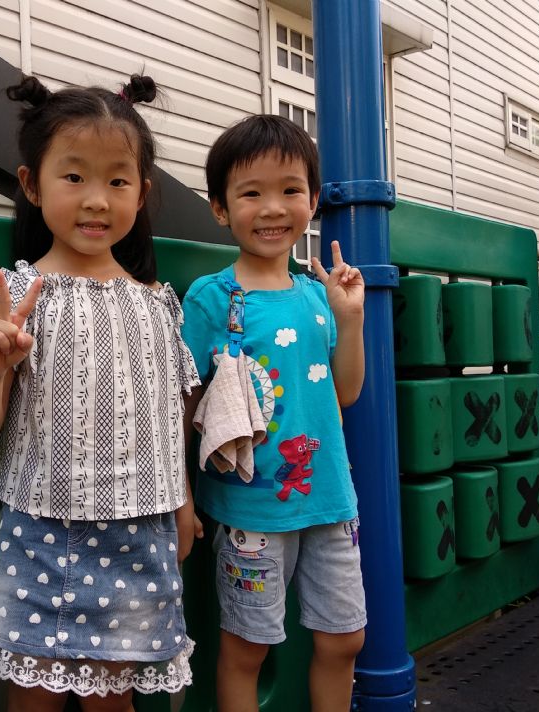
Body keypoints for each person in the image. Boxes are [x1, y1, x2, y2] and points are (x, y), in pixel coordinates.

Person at [0, 73, 201, 711]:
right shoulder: (15, 296)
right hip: (38, 531)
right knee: (30, 701)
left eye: (117, 181)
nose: (96, 200)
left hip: (139, 534)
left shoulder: (158, 303)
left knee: (111, 703)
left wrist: (182, 503)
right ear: (32, 184)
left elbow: (169, 419)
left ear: (142, 194)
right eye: (73, 176)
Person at [181, 114, 367, 712]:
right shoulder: (210, 298)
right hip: (251, 508)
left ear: (312, 200)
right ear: (220, 208)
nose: (272, 208)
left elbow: (345, 393)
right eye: (250, 193)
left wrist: (350, 319)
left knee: (345, 639)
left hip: (330, 498)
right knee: (247, 648)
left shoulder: (318, 295)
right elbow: (184, 402)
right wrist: (181, 494)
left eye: (290, 190)